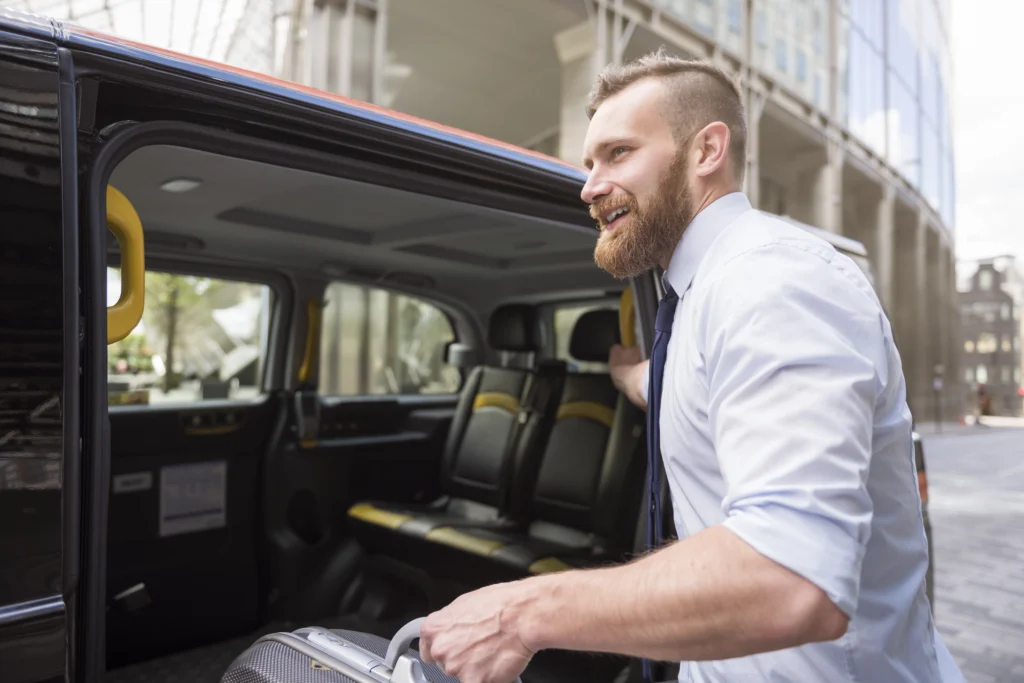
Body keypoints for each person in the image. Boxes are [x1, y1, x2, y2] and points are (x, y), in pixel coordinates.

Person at [418, 49, 965, 683]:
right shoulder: (698, 298)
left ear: (707, 151)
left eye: (618, 153)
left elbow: (792, 575)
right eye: (589, 162)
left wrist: (520, 614)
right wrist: (630, 374)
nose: (589, 186)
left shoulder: (774, 282)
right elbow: (690, 388)